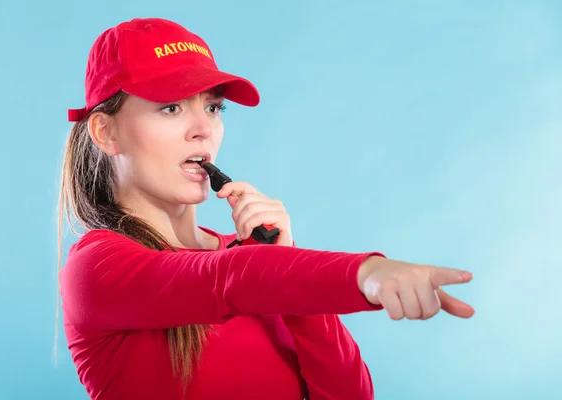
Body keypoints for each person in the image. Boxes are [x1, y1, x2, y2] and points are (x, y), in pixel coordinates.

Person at [57, 17, 475, 400]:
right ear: (106, 132)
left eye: (213, 107)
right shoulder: (95, 268)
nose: (204, 129)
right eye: (171, 107)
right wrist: (367, 272)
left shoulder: (256, 263)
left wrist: (289, 268)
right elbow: (229, 281)